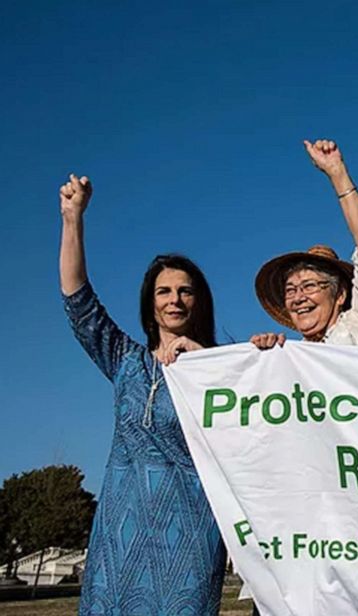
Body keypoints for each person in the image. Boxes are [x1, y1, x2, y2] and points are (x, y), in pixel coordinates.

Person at [59, 174, 226, 614]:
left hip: (189, 536)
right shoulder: (125, 361)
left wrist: (209, 363)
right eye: (164, 291)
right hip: (121, 534)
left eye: (185, 291)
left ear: (199, 301)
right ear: (150, 303)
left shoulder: (220, 369)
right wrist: (72, 218)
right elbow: (79, 302)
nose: (175, 300)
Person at [252, 139, 358, 349]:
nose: (298, 298)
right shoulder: (290, 355)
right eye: (290, 290)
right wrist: (261, 356)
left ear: (341, 294)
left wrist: (337, 173)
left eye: (309, 286)